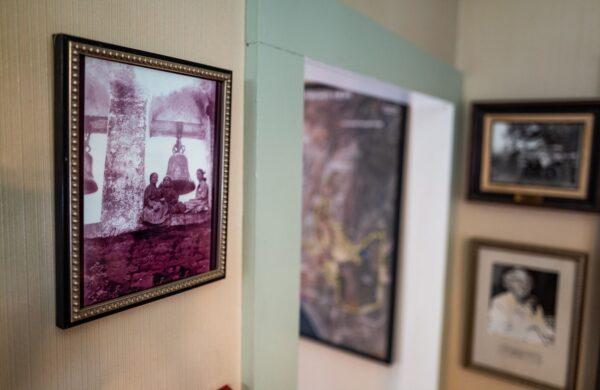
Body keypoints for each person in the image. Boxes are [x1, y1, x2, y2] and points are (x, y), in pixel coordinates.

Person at [488, 267, 555, 346]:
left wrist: (550, 334)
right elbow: (497, 333)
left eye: (528, 281)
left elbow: (543, 327)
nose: (524, 284)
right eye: (518, 281)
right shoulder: (499, 302)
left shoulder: (533, 303)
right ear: (507, 284)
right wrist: (531, 328)